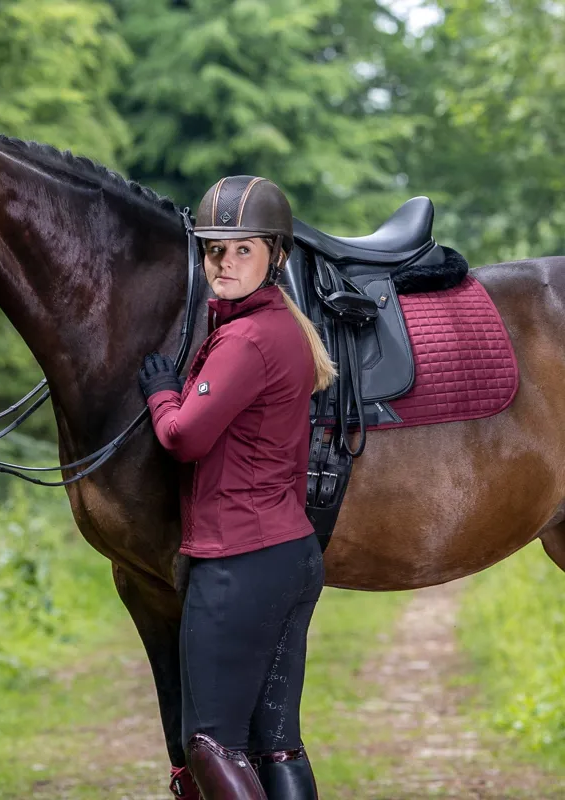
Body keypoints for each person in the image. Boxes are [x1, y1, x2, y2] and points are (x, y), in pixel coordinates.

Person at [138, 176, 337, 800]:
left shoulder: (246, 339)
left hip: (238, 562)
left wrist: (161, 394)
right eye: (214, 250)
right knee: (276, 740)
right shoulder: (283, 326)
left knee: (212, 743)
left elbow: (183, 438)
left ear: (275, 255)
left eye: (242, 250)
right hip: (291, 555)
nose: (225, 263)